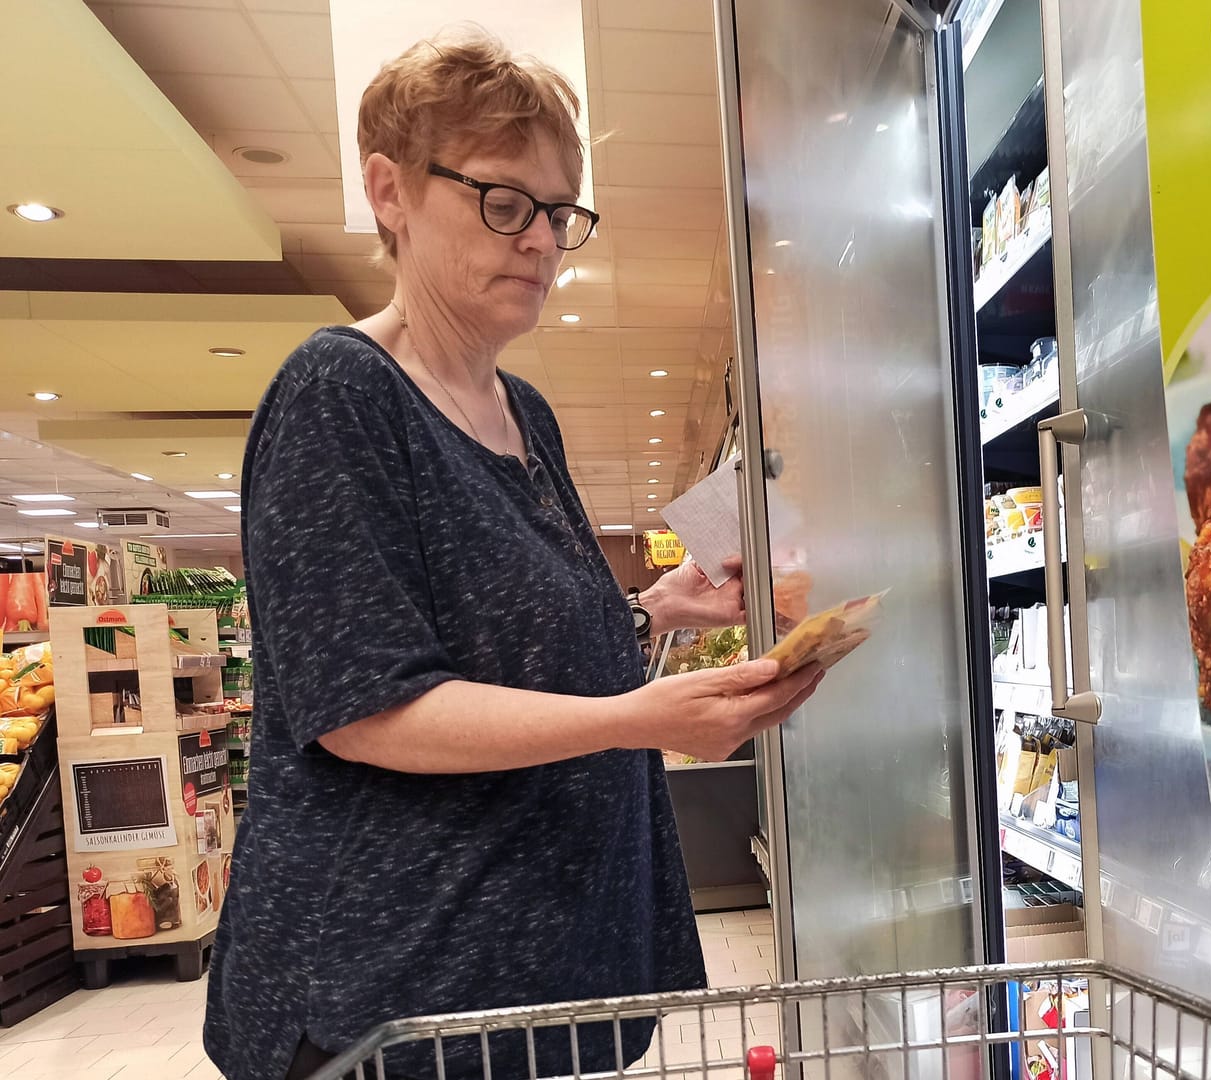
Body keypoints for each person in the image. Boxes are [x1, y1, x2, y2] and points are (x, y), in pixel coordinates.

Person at [203, 34, 823, 1080]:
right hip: (400, 999)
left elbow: (510, 644)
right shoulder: (340, 393)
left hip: (525, 980)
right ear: (390, 191)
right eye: (503, 201)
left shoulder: (522, 412)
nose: (540, 239)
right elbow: (365, 710)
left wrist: (656, 609)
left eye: (558, 211)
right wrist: (640, 720)